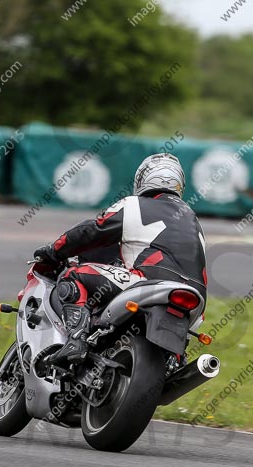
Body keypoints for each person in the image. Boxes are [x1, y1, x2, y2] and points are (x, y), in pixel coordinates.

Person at [33, 153, 207, 366]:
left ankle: (76, 341)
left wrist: (54, 250)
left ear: (142, 179)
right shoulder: (193, 220)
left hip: (148, 281)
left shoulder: (134, 204)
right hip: (195, 299)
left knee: (74, 275)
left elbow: (93, 231)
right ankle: (174, 362)